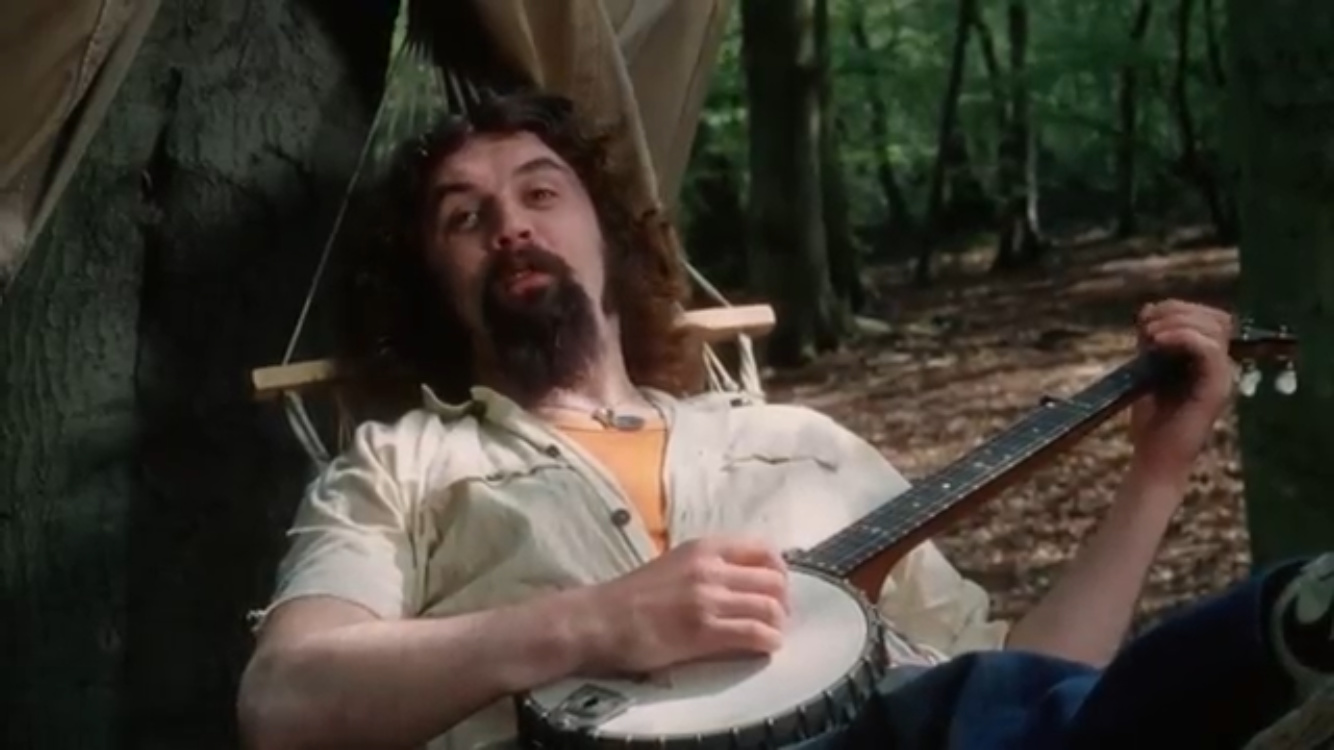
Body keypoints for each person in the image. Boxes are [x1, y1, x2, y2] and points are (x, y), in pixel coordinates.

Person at [235, 91, 1331, 750]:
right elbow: (284, 702)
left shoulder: (796, 443)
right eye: (464, 218)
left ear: (608, 237)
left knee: (991, 698)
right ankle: (1279, 637)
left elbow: (1033, 689)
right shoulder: (400, 465)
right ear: (435, 284)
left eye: (540, 192)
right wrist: (592, 625)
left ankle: (1299, 626)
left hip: (894, 731)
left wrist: (1156, 472)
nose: (510, 225)